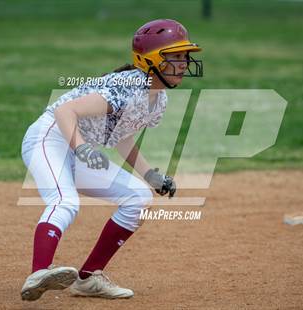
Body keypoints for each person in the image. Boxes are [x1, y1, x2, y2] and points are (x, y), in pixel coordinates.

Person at [20, 18, 203, 301]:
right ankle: (38, 273)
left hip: (77, 147)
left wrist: (150, 176)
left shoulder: (158, 97)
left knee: (138, 197)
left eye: (185, 56)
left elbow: (122, 136)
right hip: (50, 138)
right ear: (152, 60)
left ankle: (89, 278)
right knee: (65, 201)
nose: (184, 63)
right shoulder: (127, 85)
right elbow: (65, 112)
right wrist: (82, 149)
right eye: (176, 56)